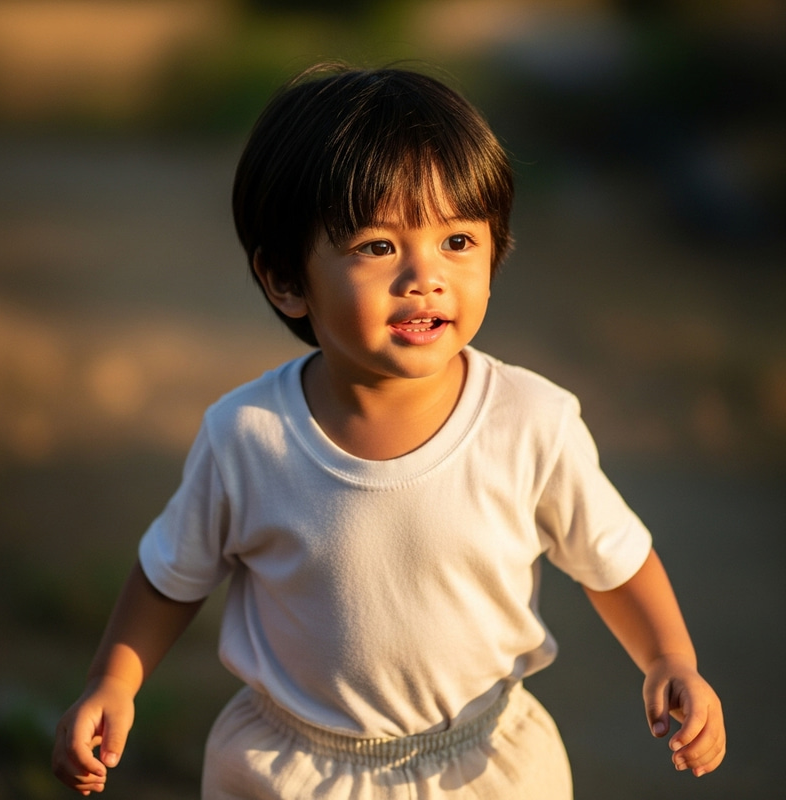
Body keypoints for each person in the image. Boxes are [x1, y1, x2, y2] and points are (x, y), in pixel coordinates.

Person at [52, 63, 725, 798]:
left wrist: (670, 660)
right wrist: (113, 681)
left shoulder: (531, 421)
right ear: (285, 278)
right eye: (378, 247)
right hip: (295, 768)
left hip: (482, 760)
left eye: (458, 242)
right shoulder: (247, 436)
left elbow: (615, 559)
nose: (425, 277)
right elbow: (170, 575)